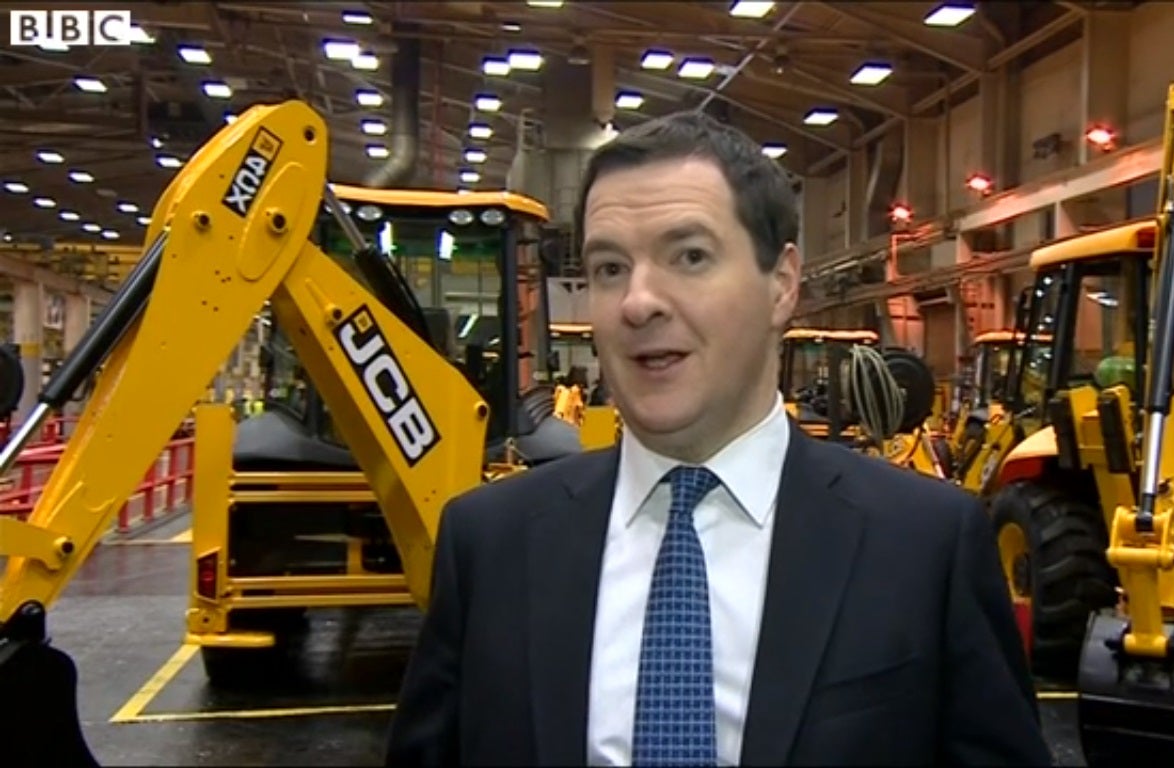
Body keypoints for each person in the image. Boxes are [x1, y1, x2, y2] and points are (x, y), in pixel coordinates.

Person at [385, 111, 1052, 767]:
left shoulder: (926, 547)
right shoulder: (490, 545)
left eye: (690, 256)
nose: (638, 302)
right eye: (610, 268)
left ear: (782, 285)